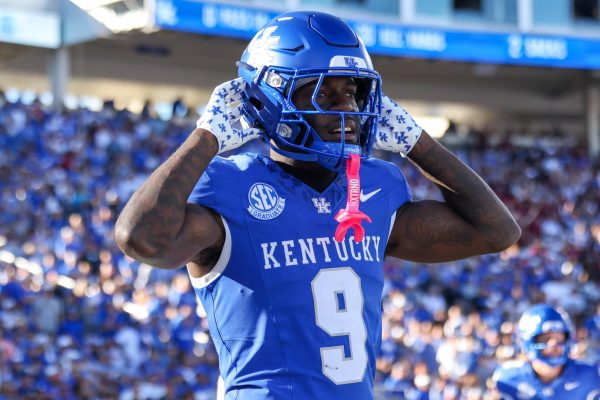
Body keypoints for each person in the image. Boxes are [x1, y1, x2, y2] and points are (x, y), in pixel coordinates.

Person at [115, 11, 520, 399]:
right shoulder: (231, 185)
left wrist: (419, 143)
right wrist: (206, 137)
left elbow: (498, 232)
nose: (345, 107)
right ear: (269, 97)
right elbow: (142, 238)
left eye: (351, 92)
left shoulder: (374, 188)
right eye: (323, 92)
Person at [493, 304, 600, 399]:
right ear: (526, 340)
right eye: (545, 338)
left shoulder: (591, 374)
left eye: (559, 338)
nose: (553, 344)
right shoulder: (507, 378)